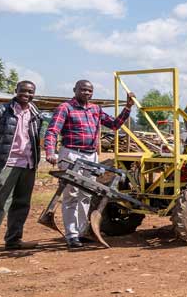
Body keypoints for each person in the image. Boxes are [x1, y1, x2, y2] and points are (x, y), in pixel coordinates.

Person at [44, 80, 135, 249]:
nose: (86, 93)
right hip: (71, 153)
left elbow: (115, 125)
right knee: (71, 194)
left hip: (91, 155)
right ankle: (71, 235)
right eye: (83, 89)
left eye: (89, 90)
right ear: (75, 90)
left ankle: (82, 231)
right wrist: (50, 152)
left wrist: (128, 107)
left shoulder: (95, 109)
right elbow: (52, 131)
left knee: (86, 194)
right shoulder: (65, 108)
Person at [0, 81, 44, 256]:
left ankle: (13, 240)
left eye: (30, 92)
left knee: (21, 203)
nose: (26, 94)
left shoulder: (36, 114)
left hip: (28, 164)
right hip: (7, 163)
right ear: (16, 91)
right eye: (23, 91)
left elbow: (37, 138)